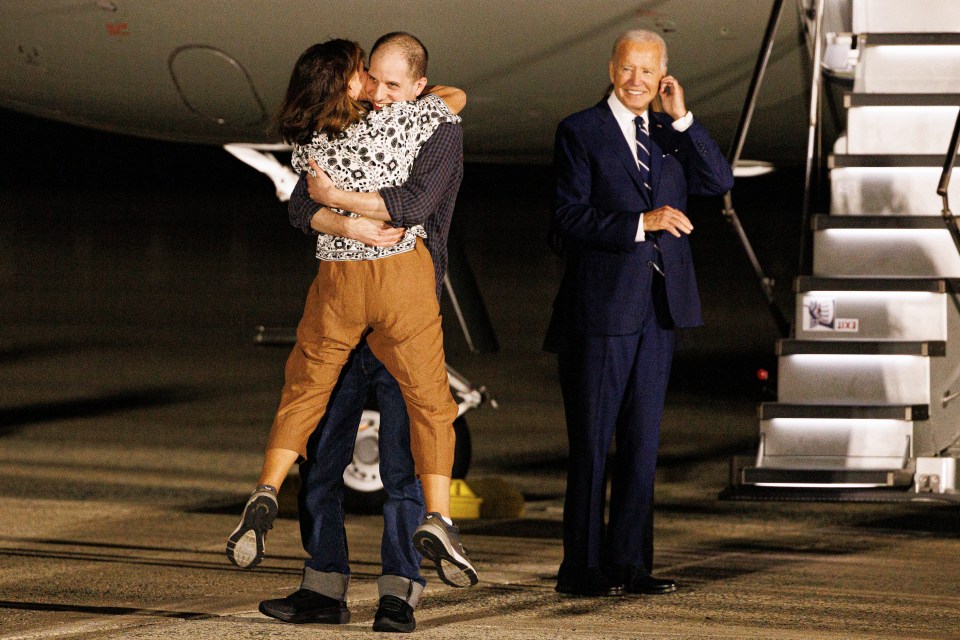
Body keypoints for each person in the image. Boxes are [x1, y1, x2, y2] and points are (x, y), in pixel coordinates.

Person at [225, 36, 477, 615]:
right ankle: (324, 587)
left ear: (410, 85)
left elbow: (408, 202)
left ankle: (395, 595)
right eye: (368, 78)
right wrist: (351, 224)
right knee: (330, 454)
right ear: (352, 84)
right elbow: (305, 209)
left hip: (358, 296)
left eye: (389, 82)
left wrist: (337, 208)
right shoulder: (410, 118)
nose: (377, 90)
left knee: (394, 462)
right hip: (394, 297)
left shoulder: (393, 128)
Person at [546, 29, 734, 597]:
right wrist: (640, 223)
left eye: (648, 73)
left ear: (663, 79)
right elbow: (565, 221)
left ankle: (630, 566)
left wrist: (683, 120)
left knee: (642, 447)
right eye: (628, 69)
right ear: (611, 68)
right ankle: (581, 570)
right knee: (593, 444)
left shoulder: (670, 135)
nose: (636, 82)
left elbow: (718, 180)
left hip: (659, 310)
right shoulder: (580, 131)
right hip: (600, 312)